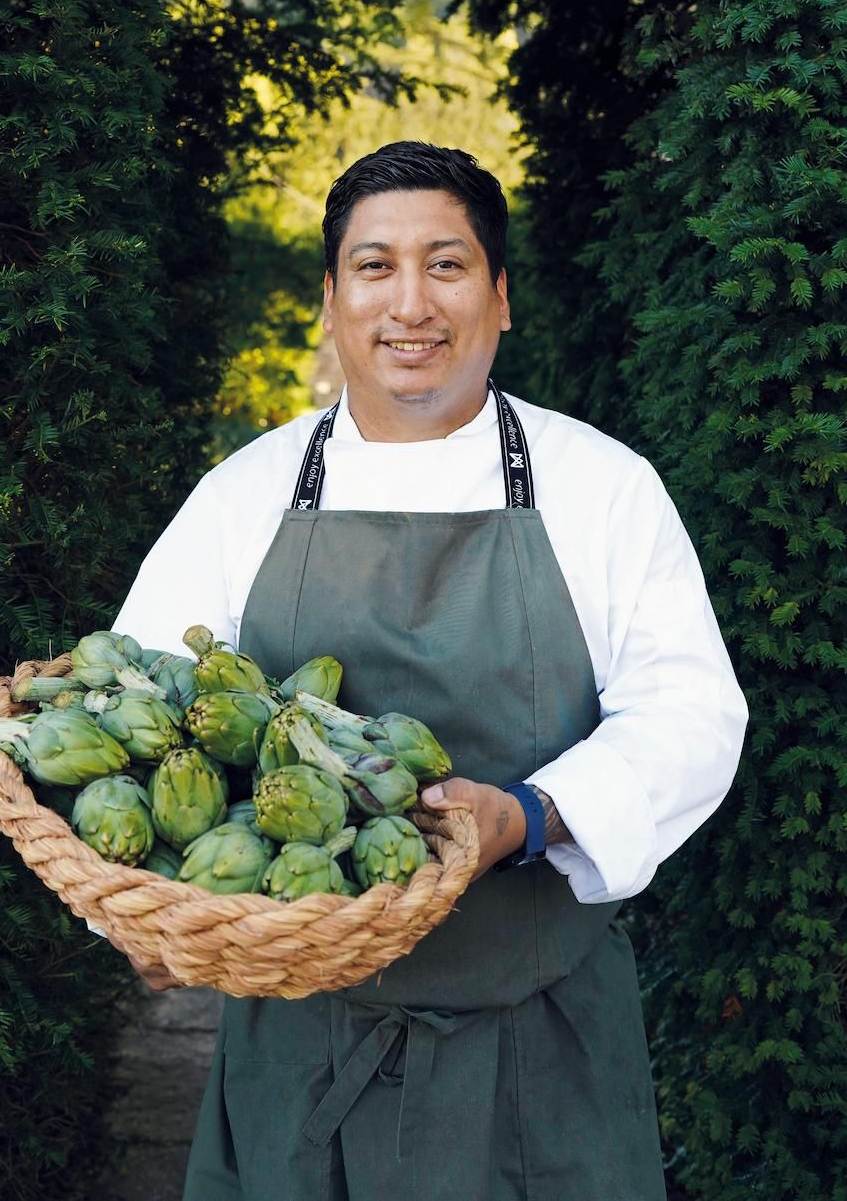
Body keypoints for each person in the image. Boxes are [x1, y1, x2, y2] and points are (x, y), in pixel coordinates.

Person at [113, 140, 748, 1201]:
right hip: (296, 1061)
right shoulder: (242, 497)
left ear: (501, 299)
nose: (410, 303)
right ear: (331, 298)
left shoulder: (603, 488)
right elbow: (127, 717)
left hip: (539, 1057)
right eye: (375, 266)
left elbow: (690, 712)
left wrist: (531, 817)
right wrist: (135, 914)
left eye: (446, 265)